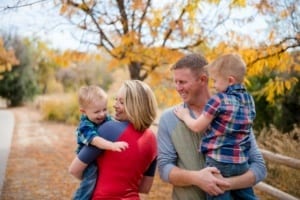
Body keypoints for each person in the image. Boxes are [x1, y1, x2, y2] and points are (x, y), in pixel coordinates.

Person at [157, 53, 267, 200]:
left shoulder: (234, 112)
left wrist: (223, 183)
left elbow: (259, 168)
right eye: (175, 82)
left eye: (182, 82)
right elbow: (164, 169)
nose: (178, 88)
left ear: (203, 79)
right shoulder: (168, 118)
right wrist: (197, 178)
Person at [69, 80, 158, 200]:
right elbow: (144, 188)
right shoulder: (153, 140)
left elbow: (74, 170)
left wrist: (90, 181)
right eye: (116, 99)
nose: (115, 105)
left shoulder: (108, 129)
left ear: (135, 106)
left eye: (121, 102)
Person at [73, 85, 129, 200]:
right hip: (88, 157)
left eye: (104, 109)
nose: (102, 114)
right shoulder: (85, 125)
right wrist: (112, 145)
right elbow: (95, 140)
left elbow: (114, 122)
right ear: (83, 112)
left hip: (98, 154)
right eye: (97, 111)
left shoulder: (103, 117)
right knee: (90, 181)